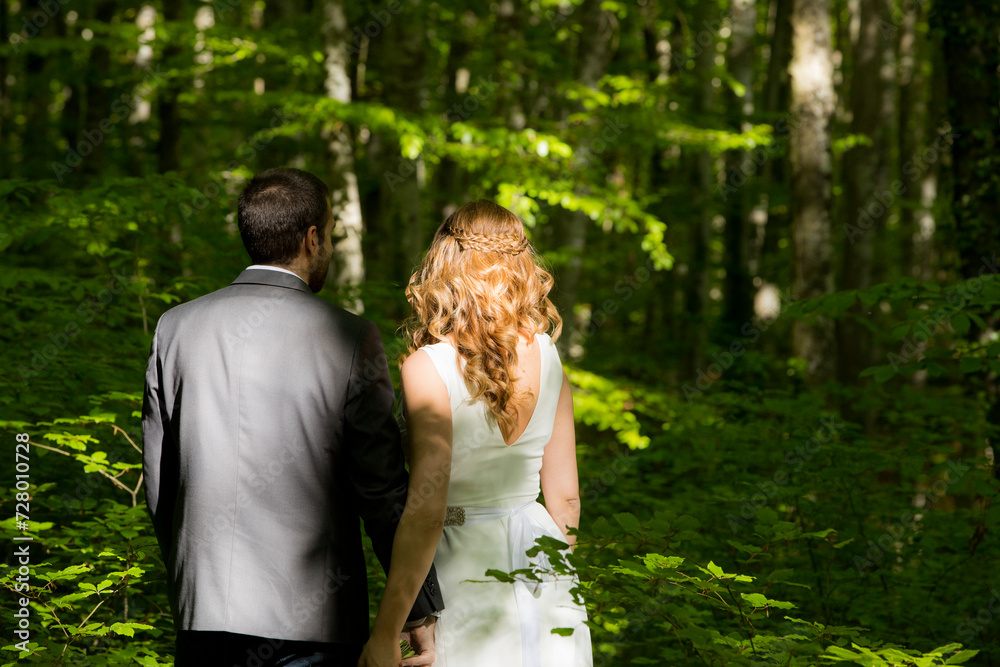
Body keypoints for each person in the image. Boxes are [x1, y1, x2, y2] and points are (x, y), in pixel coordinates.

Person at [142, 167, 444, 667]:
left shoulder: (175, 328)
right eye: (329, 234)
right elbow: (381, 488)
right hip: (314, 624)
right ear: (311, 238)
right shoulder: (350, 338)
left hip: (203, 612)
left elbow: (160, 483)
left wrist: (191, 578)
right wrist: (417, 610)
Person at [395, 200, 594, 667]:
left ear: (445, 263)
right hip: (543, 558)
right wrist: (553, 576)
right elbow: (566, 500)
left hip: (459, 560)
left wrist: (399, 617)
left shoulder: (428, 367)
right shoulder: (548, 356)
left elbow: (426, 508)